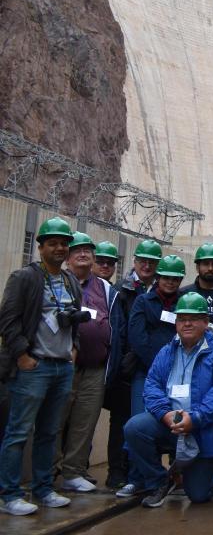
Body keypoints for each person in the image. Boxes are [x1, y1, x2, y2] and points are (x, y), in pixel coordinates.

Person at [0, 218, 83, 516]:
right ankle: (9, 494)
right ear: (40, 247)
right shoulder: (25, 278)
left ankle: (43, 489)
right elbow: (8, 321)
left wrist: (74, 348)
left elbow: (75, 319)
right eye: (53, 243)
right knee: (19, 431)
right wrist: (22, 355)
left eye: (64, 243)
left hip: (62, 367)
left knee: (49, 432)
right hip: (34, 367)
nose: (60, 248)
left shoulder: (70, 280)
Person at [123, 292, 213, 508]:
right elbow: (152, 384)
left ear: (205, 322)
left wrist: (195, 418)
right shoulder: (167, 351)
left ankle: (204, 473)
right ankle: (160, 480)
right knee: (134, 428)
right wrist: (165, 414)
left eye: (193, 319)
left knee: (199, 495)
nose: (187, 324)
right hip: (171, 423)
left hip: (202, 429)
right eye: (182, 319)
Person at [58, 232, 116, 493]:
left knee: (84, 421)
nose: (83, 254)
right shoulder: (56, 282)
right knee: (54, 420)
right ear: (67, 255)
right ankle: (46, 471)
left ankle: (74, 471)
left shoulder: (104, 288)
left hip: (94, 367)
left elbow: (115, 326)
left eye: (88, 251)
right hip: (61, 364)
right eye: (77, 250)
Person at [104, 239, 162, 491]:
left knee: (146, 422)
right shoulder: (121, 290)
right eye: (143, 261)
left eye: (152, 262)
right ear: (135, 262)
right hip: (126, 367)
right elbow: (118, 329)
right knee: (121, 421)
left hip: (151, 367)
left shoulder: (163, 293)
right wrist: (125, 359)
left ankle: (139, 472)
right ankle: (117, 470)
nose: (147, 266)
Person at [179, 243, 213, 486]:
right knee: (183, 406)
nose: (210, 268)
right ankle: (180, 464)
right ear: (197, 266)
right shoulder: (185, 293)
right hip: (190, 360)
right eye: (205, 263)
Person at [127, 255, 186, 418]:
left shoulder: (185, 304)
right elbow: (138, 338)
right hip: (145, 371)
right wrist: (158, 365)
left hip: (177, 373)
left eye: (175, 279)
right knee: (140, 420)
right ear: (158, 277)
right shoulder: (143, 301)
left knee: (173, 421)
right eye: (166, 277)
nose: (170, 282)